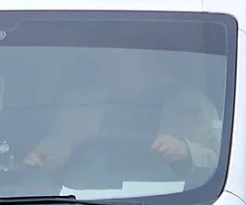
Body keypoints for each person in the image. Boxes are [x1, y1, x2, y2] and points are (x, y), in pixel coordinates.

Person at [23, 59, 220, 172]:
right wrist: (39, 159)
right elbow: (59, 144)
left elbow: (220, 165)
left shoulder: (192, 105)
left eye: (124, 59)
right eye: (108, 59)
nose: (112, 64)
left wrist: (186, 151)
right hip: (82, 202)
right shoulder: (82, 102)